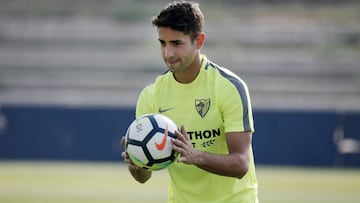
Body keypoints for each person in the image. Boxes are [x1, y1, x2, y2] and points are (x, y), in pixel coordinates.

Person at [121, 1, 258, 202]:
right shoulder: (151, 95)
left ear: (199, 41)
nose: (168, 53)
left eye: (176, 43)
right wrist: (136, 163)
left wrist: (197, 156)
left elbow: (241, 164)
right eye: (162, 43)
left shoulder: (229, 87)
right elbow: (144, 176)